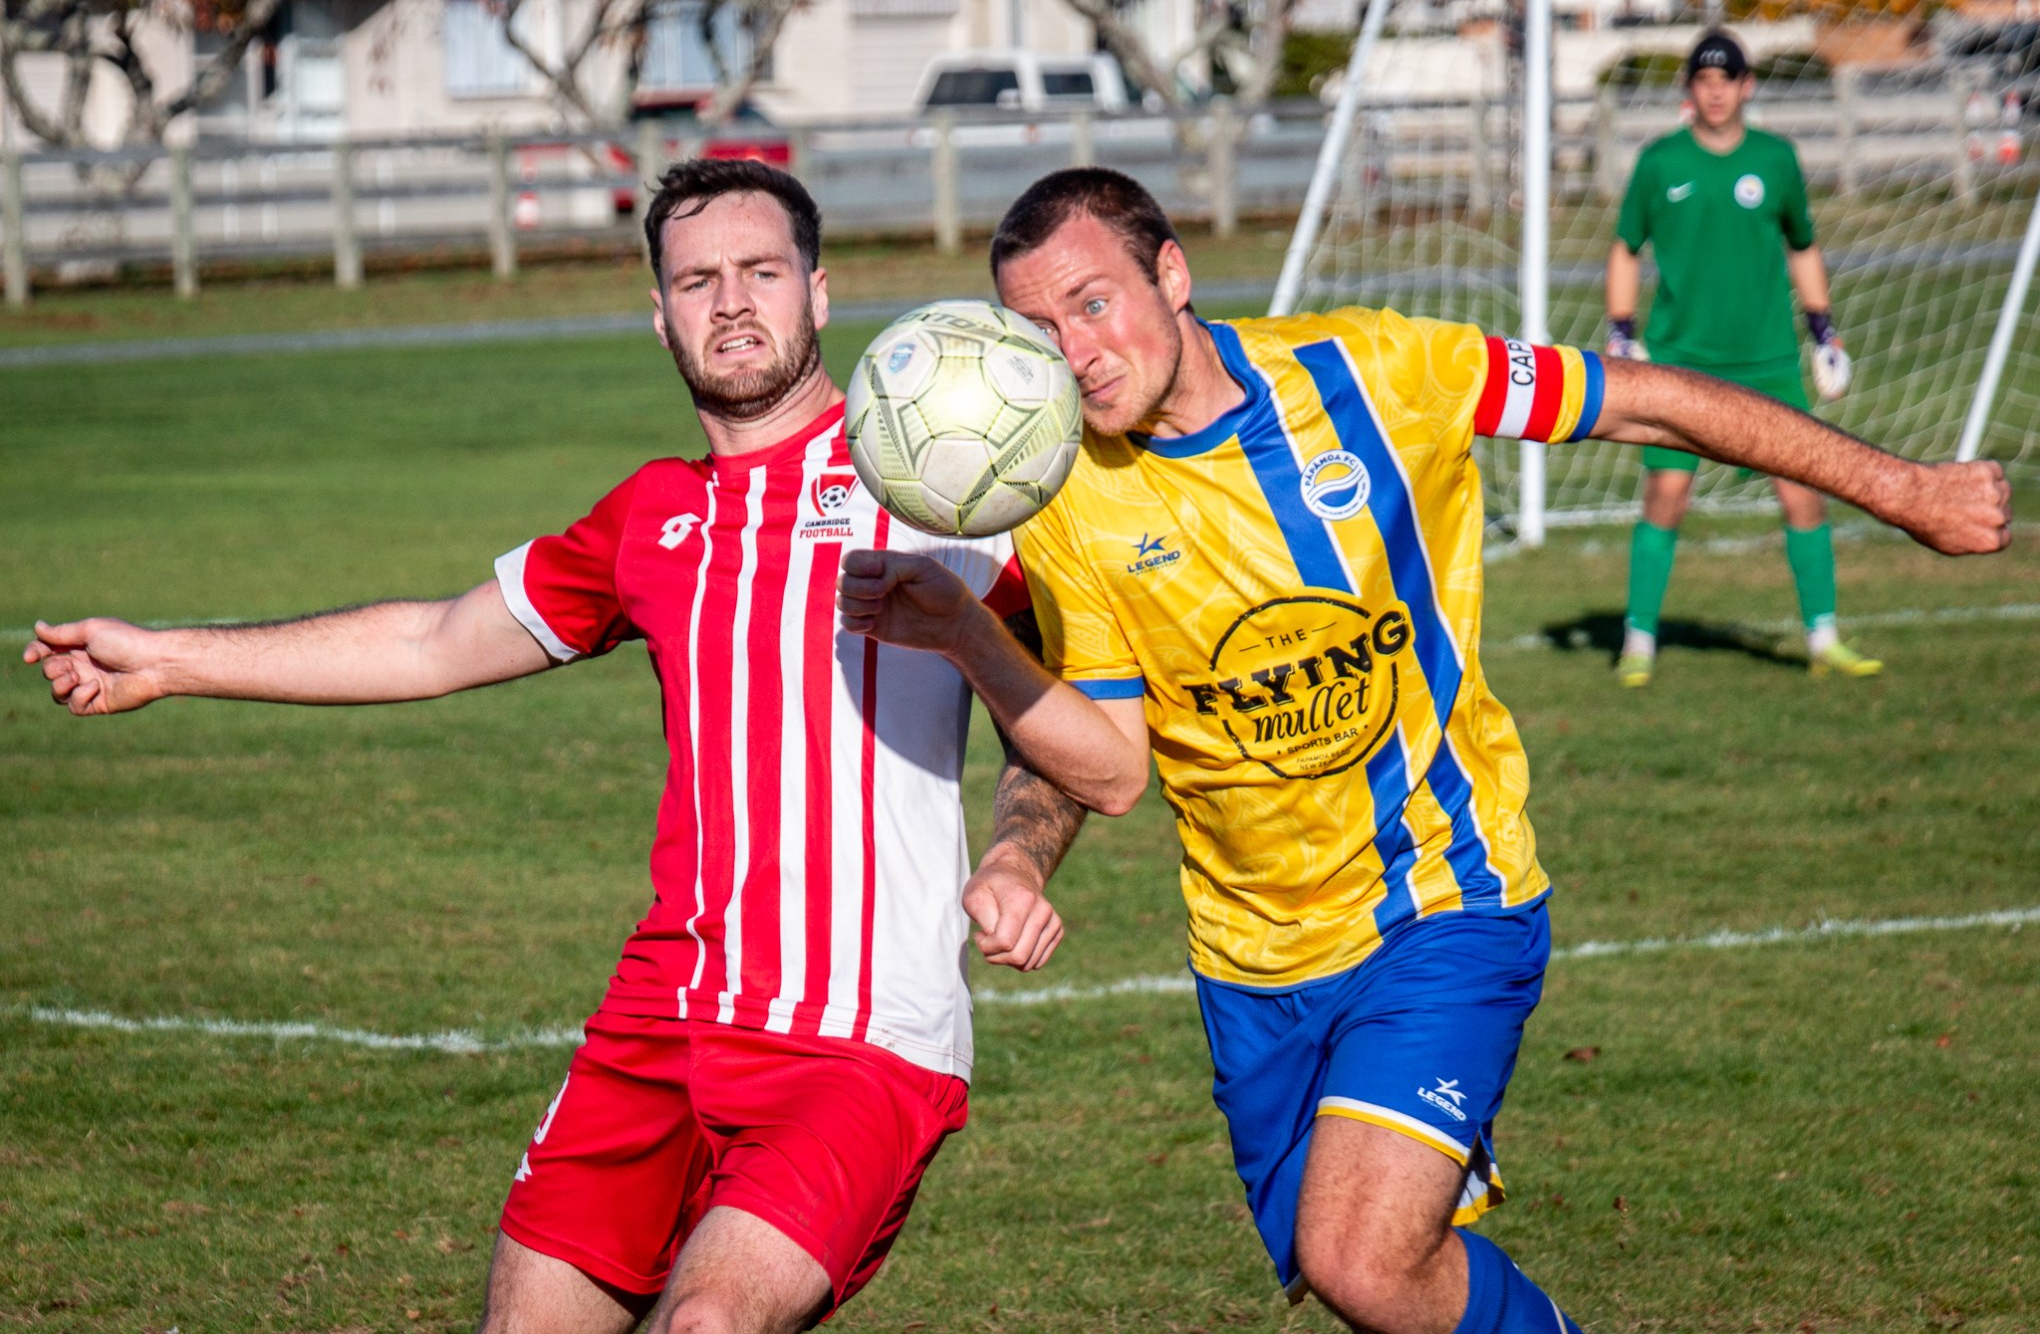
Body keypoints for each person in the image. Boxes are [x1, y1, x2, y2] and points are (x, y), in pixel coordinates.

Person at [836, 167, 2010, 1334]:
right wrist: (980, 691)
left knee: (1360, 1256)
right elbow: (1111, 765)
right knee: (1374, 1278)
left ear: (1173, 275)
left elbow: (1649, 405)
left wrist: (1903, 488)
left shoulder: (1377, 370)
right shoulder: (1066, 494)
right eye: (1040, 331)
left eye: (1093, 303)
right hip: (1254, 959)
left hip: (1442, 895)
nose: (1078, 351)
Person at [23, 160, 1084, 1334]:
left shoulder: (942, 484)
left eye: (761, 271)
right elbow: (432, 641)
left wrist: (1020, 856)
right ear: (661, 316)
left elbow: (1062, 711)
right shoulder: (652, 516)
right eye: (698, 281)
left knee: (709, 1322)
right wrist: (171, 659)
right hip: (661, 1017)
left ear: (819, 292)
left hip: (854, 1037)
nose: (732, 302)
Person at [1607, 30, 1875, 688]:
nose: (1716, 92)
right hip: (1680, 361)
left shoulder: (1776, 159)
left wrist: (1824, 331)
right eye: (1704, 80)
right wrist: (1621, 332)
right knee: (1667, 494)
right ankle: (1638, 640)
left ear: (1747, 86)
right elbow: (1625, 247)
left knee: (1802, 493)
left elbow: (1802, 245)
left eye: (1727, 80)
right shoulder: (1660, 162)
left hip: (1767, 361)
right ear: (1690, 90)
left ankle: (1823, 639)